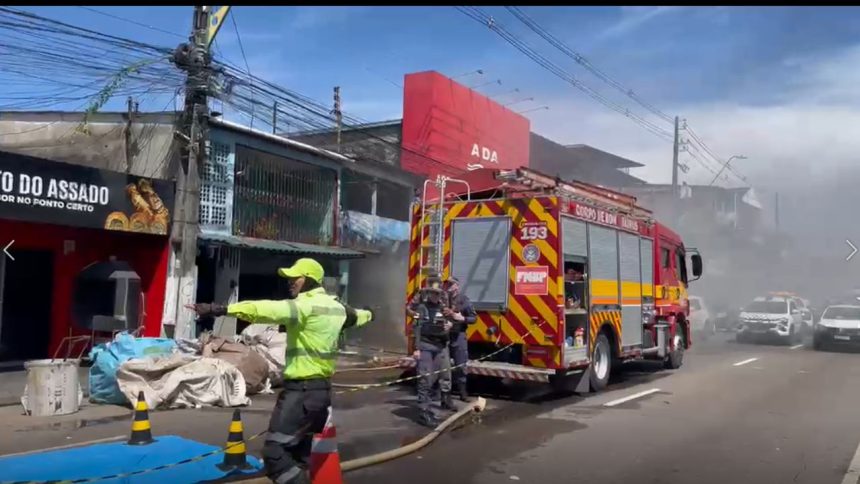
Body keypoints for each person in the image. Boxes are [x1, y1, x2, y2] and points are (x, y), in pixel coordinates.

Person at [188, 258, 373, 484]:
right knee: (298, 453)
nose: (290, 282)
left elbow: (264, 309)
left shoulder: (304, 307)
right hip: (321, 393)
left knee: (275, 452)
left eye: (296, 277)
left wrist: (221, 309)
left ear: (310, 280)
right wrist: (371, 313)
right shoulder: (338, 309)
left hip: (301, 393)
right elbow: (359, 316)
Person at [408, 275, 453, 427]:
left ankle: (428, 409)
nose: (435, 295)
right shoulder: (422, 308)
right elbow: (417, 328)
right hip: (426, 347)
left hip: (439, 347)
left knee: (433, 380)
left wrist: (449, 327)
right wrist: (416, 349)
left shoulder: (442, 308)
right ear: (428, 294)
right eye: (432, 293)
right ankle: (423, 412)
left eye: (437, 293)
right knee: (424, 379)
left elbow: (448, 324)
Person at [443, 276, 477, 402]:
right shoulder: (442, 300)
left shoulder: (464, 300)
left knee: (460, 366)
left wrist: (462, 319)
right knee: (443, 367)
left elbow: (474, 318)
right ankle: (443, 394)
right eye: (447, 285)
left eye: (451, 285)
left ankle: (463, 393)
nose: (449, 287)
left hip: (459, 337)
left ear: (457, 286)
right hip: (444, 337)